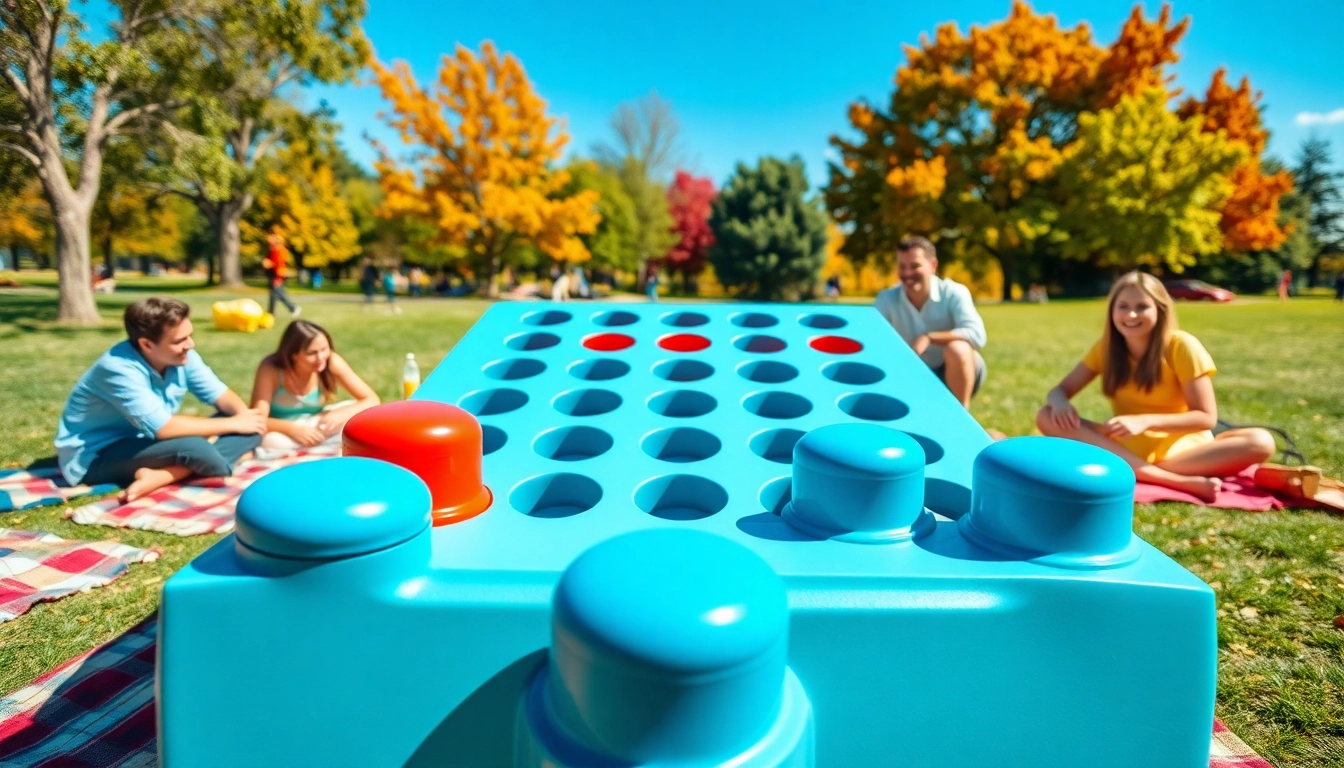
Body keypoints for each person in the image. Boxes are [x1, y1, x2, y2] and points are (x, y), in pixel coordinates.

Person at [1037, 271, 1276, 503]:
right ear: (1112, 310)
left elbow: (1205, 418)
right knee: (1046, 415)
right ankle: (1173, 480)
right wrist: (1060, 402)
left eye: (1142, 306)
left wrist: (1144, 421)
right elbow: (1059, 391)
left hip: (1179, 449)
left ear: (1160, 309)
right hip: (1124, 442)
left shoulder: (1181, 345)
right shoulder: (1106, 348)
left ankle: (1138, 471)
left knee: (1261, 442)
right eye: (1123, 306)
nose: (1131, 315)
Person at [54, 298, 266, 502]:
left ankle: (164, 475)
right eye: (179, 340)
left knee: (251, 426)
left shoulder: (184, 356)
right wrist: (236, 423)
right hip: (96, 457)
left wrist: (243, 417)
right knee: (197, 447)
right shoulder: (117, 368)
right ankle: (208, 459)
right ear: (146, 344)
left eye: (189, 335)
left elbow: (221, 395)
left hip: (144, 442)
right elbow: (164, 428)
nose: (190, 344)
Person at [874, 236, 987, 409]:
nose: (907, 274)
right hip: (910, 374)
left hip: (955, 371)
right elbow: (875, 343)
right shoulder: (887, 299)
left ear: (933, 266)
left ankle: (962, 418)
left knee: (958, 348)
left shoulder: (953, 293)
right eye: (902, 267)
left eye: (915, 266)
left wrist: (929, 337)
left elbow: (977, 335)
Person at [250, 320, 380, 454]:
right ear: (293, 355)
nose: (320, 357)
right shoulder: (271, 369)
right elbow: (258, 420)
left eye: (324, 349)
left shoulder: (330, 361)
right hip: (283, 432)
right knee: (270, 441)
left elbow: (371, 399)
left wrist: (341, 414)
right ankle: (325, 448)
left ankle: (319, 448)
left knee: (359, 419)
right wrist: (293, 430)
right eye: (312, 353)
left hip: (318, 424)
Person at [262, 232, 301, 318]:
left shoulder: (278, 250)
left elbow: (276, 264)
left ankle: (293, 308)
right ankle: (271, 312)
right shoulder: (275, 250)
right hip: (275, 274)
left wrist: (267, 264)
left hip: (277, 275)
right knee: (275, 294)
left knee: (278, 293)